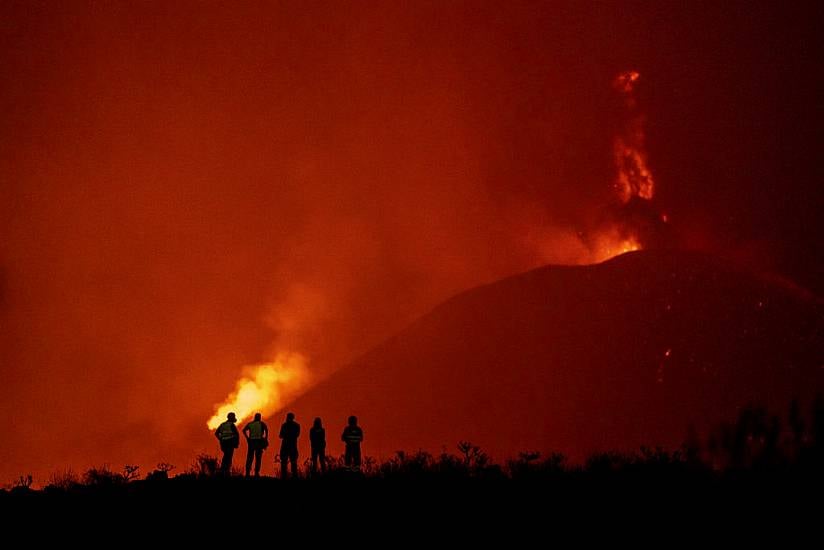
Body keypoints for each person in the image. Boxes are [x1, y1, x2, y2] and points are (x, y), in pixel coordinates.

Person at [242, 412, 269, 477]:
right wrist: (265, 438)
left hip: (251, 442)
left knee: (250, 457)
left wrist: (247, 438)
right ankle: (256, 473)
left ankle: (247, 473)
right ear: (260, 417)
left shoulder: (250, 424)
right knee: (258, 458)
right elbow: (266, 430)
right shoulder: (262, 424)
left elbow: (244, 430)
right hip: (259, 442)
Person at [278, 412, 300, 479]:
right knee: (293, 462)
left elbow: (280, 435)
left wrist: (286, 435)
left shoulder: (284, 425)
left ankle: (284, 477)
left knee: (284, 463)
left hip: (285, 446)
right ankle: (294, 476)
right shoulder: (297, 425)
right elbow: (297, 435)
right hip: (293, 446)